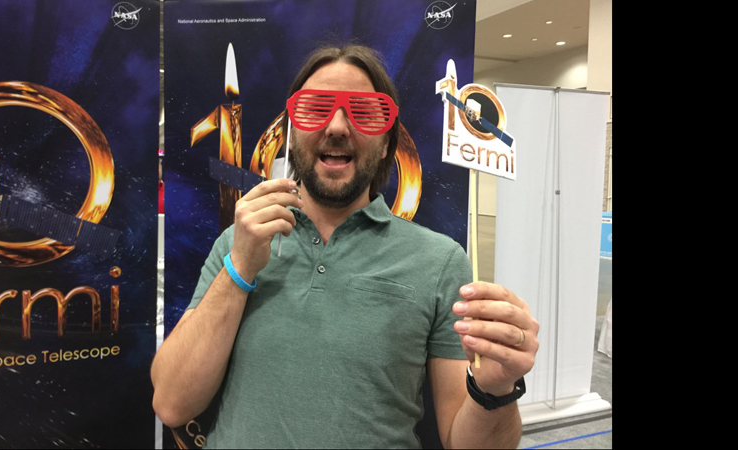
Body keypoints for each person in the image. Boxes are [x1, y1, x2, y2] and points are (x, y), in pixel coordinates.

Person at [151, 44, 539, 449]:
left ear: (387, 143)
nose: (337, 126)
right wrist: (241, 266)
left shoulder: (439, 261)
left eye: (365, 111)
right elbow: (172, 404)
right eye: (315, 108)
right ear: (290, 134)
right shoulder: (239, 240)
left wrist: (495, 390)